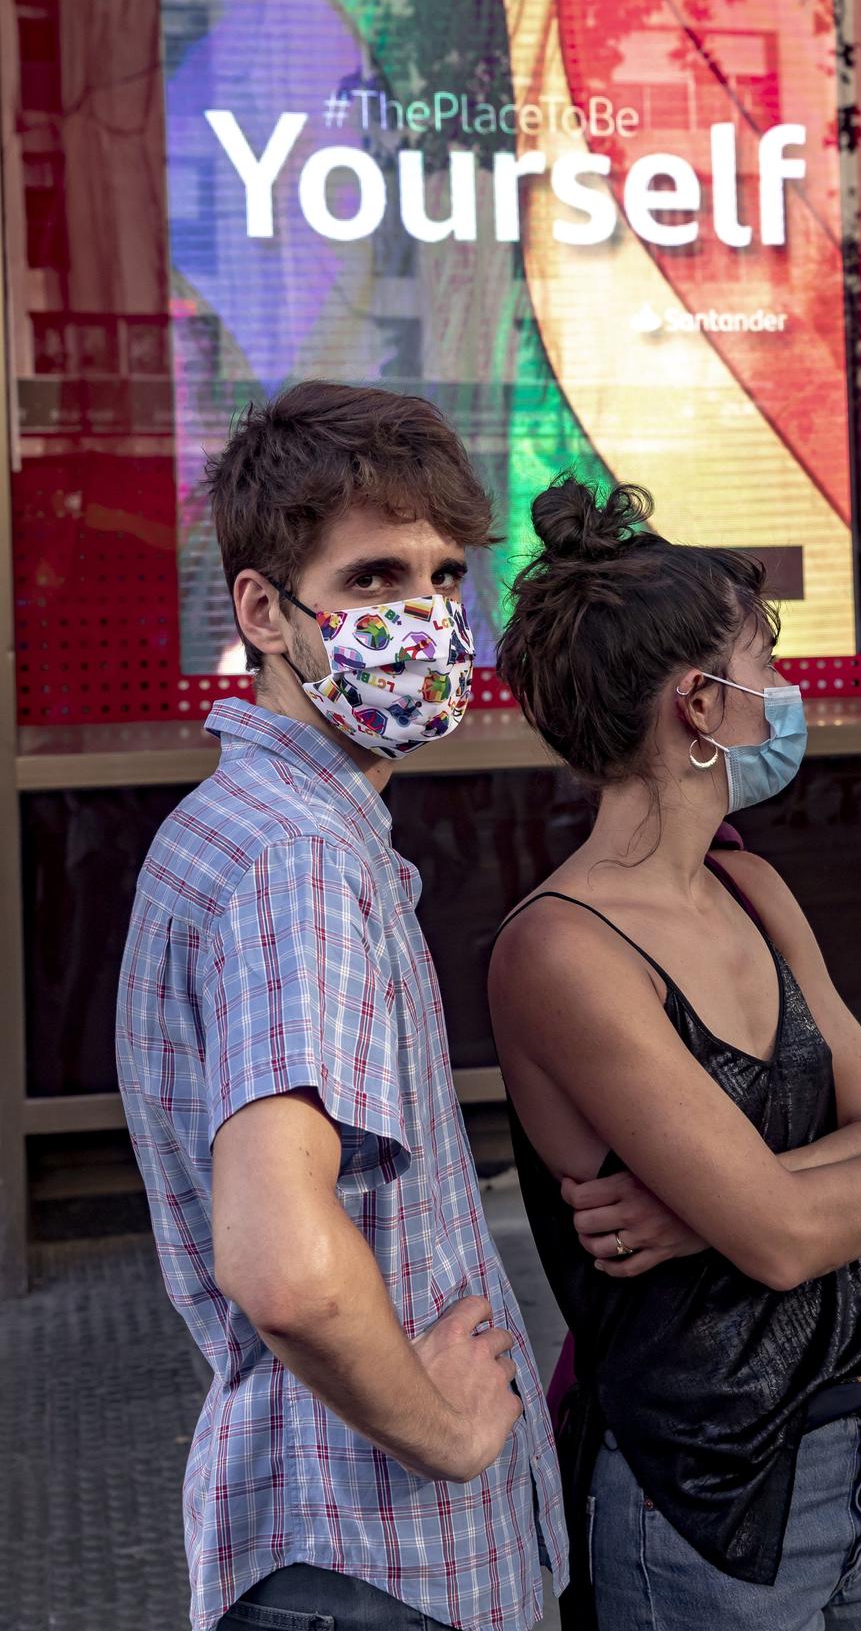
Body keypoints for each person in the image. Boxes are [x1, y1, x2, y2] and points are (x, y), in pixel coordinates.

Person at [489, 478, 861, 1631]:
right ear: (697, 706)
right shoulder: (560, 951)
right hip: (703, 1510)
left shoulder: (751, 885)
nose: (784, 691)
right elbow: (789, 1230)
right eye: (763, 660)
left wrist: (725, 1202)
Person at [116, 382, 567, 1631]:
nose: (422, 617)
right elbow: (287, 1269)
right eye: (373, 580)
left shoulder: (266, 828)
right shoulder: (294, 861)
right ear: (263, 609)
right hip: (370, 1557)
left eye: (440, 576)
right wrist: (447, 1430)